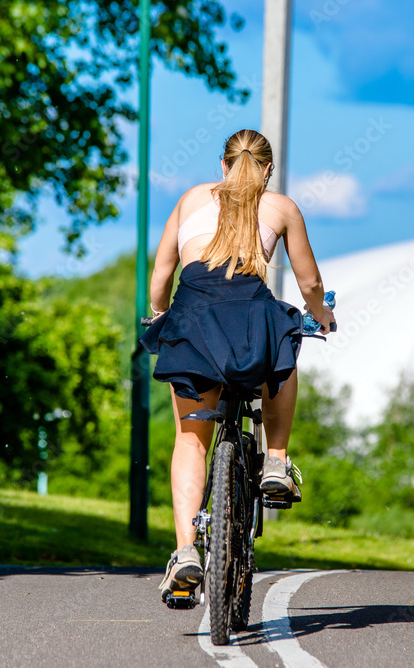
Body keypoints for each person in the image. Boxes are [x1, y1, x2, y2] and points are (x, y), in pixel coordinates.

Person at [139, 129, 335, 603]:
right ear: (267, 169)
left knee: (190, 440)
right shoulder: (282, 207)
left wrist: (160, 314)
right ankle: (276, 460)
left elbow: (162, 274)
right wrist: (322, 315)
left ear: (223, 165)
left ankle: (186, 550)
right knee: (285, 342)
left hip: (194, 320)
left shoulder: (190, 199)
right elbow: (309, 282)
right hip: (250, 318)